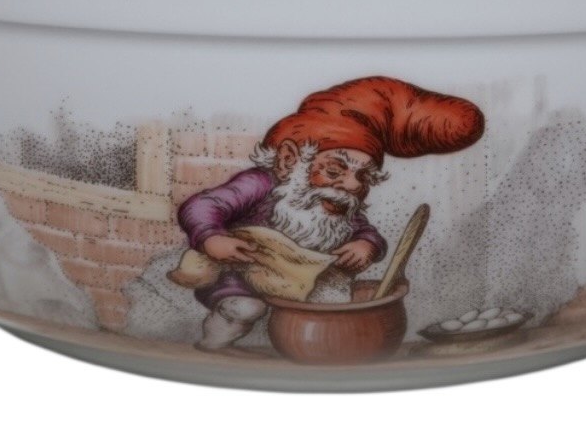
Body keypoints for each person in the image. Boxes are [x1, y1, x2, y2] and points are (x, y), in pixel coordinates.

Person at [175, 76, 485, 350]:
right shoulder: (260, 184)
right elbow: (203, 205)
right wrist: (211, 237)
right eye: (335, 171)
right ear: (288, 161)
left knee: (334, 305)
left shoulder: (340, 204)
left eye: (363, 177)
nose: (352, 185)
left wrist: (366, 245)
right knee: (245, 308)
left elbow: (365, 230)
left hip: (308, 280)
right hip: (244, 271)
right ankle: (216, 341)